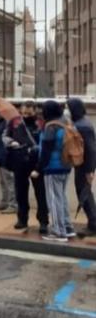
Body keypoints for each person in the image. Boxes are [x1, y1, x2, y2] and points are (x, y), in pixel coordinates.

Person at [5, 101, 48, 234]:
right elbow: (5, 136)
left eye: (28, 113)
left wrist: (36, 149)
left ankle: (43, 221)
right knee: (21, 193)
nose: (25, 116)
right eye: (23, 113)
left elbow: (45, 142)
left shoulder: (41, 123)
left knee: (41, 193)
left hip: (36, 162)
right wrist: (11, 142)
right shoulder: (15, 122)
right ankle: (22, 219)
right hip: (19, 160)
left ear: (35, 111)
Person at [38, 100, 75, 242]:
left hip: (52, 167)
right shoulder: (66, 122)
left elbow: (46, 150)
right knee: (62, 198)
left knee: (53, 200)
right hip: (66, 165)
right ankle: (68, 227)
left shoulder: (51, 126)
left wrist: (39, 167)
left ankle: (58, 231)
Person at [68, 97, 96, 235]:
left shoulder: (83, 126)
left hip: (84, 165)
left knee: (84, 193)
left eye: (69, 108)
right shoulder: (81, 123)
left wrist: (90, 170)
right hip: (82, 164)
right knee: (83, 192)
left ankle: (93, 224)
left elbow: (90, 149)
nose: (67, 111)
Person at [0, 114, 17, 213]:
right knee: (3, 181)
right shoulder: (1, 123)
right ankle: (4, 201)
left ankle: (13, 204)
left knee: (10, 180)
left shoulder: (9, 123)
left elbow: (6, 139)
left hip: (6, 156)